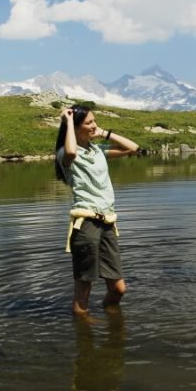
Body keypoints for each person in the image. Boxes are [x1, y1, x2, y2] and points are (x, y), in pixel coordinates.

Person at [55, 104, 139, 316]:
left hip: (108, 222)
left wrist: (104, 133)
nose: (94, 125)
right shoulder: (64, 154)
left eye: (95, 121)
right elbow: (72, 150)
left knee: (119, 289)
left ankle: (112, 322)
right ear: (75, 128)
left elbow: (133, 147)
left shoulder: (98, 151)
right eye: (89, 122)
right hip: (86, 224)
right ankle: (84, 335)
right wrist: (67, 123)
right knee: (84, 289)